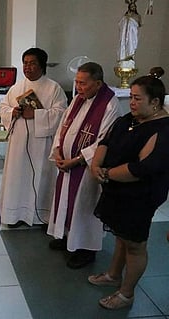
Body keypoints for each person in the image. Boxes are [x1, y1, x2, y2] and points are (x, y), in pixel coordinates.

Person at [88, 75, 169, 309]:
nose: (131, 103)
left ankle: (126, 294)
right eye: (131, 97)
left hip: (140, 196)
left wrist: (107, 173)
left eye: (137, 98)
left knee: (134, 243)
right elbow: (105, 141)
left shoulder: (163, 129)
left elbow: (142, 168)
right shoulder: (129, 119)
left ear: (154, 102)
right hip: (117, 190)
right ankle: (114, 274)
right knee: (121, 237)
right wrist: (95, 165)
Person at [47, 62, 121, 269]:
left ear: (97, 83)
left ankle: (86, 249)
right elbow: (64, 125)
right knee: (65, 201)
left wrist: (77, 160)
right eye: (77, 82)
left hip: (87, 168)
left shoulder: (109, 104)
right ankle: (66, 235)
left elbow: (105, 140)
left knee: (85, 206)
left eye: (83, 83)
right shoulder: (79, 99)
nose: (78, 87)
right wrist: (59, 151)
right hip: (67, 164)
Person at [0, 47, 67, 227]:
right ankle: (15, 215)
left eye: (32, 63)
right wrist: (13, 111)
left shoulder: (54, 88)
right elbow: (3, 107)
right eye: (25, 63)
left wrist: (36, 115)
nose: (27, 67)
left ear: (42, 65)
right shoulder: (17, 88)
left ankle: (41, 215)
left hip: (41, 144)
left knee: (41, 177)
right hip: (18, 143)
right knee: (17, 178)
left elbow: (61, 114)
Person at [118, 0, 142, 67]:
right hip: (125, 35)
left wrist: (134, 23)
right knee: (125, 44)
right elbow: (120, 24)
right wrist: (127, 19)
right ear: (129, 7)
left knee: (132, 44)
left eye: (134, 6)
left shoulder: (137, 16)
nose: (133, 8)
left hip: (133, 34)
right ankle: (125, 57)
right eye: (131, 6)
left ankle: (130, 56)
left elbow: (139, 24)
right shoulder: (126, 16)